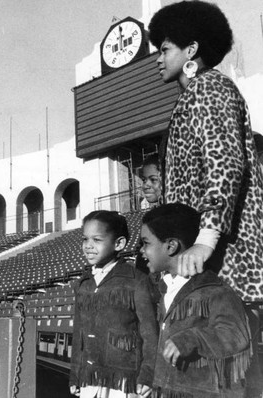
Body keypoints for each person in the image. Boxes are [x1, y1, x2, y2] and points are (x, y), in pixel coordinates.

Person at [148, 1, 263, 301]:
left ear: (191, 50)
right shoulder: (190, 97)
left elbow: (224, 166)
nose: (158, 59)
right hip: (199, 263)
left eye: (164, 49)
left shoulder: (211, 87)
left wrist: (206, 239)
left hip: (225, 262)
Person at [140, 203, 251, 398]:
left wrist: (191, 339)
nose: (141, 250)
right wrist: (149, 378)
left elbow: (236, 334)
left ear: (171, 246)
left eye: (146, 243)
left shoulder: (215, 290)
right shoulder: (160, 288)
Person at [70, 211, 158, 398]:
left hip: (123, 380)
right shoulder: (83, 284)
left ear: (118, 244)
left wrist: (148, 374)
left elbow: (150, 334)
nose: (88, 246)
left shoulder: (136, 281)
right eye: (85, 239)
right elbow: (79, 335)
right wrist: (75, 374)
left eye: (97, 240)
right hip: (90, 378)